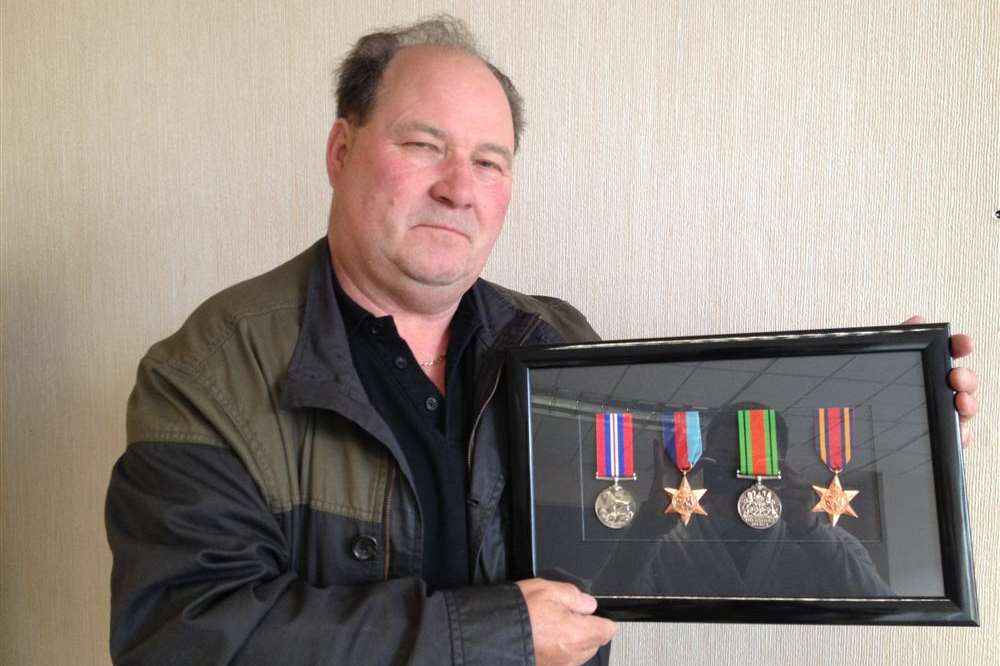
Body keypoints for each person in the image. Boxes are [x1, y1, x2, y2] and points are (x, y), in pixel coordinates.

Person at [105, 15, 979, 666]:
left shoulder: (559, 344)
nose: (460, 187)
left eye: (490, 161)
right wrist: (485, 633)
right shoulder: (207, 370)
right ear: (342, 149)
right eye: (423, 145)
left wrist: (892, 411)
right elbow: (181, 637)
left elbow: (692, 538)